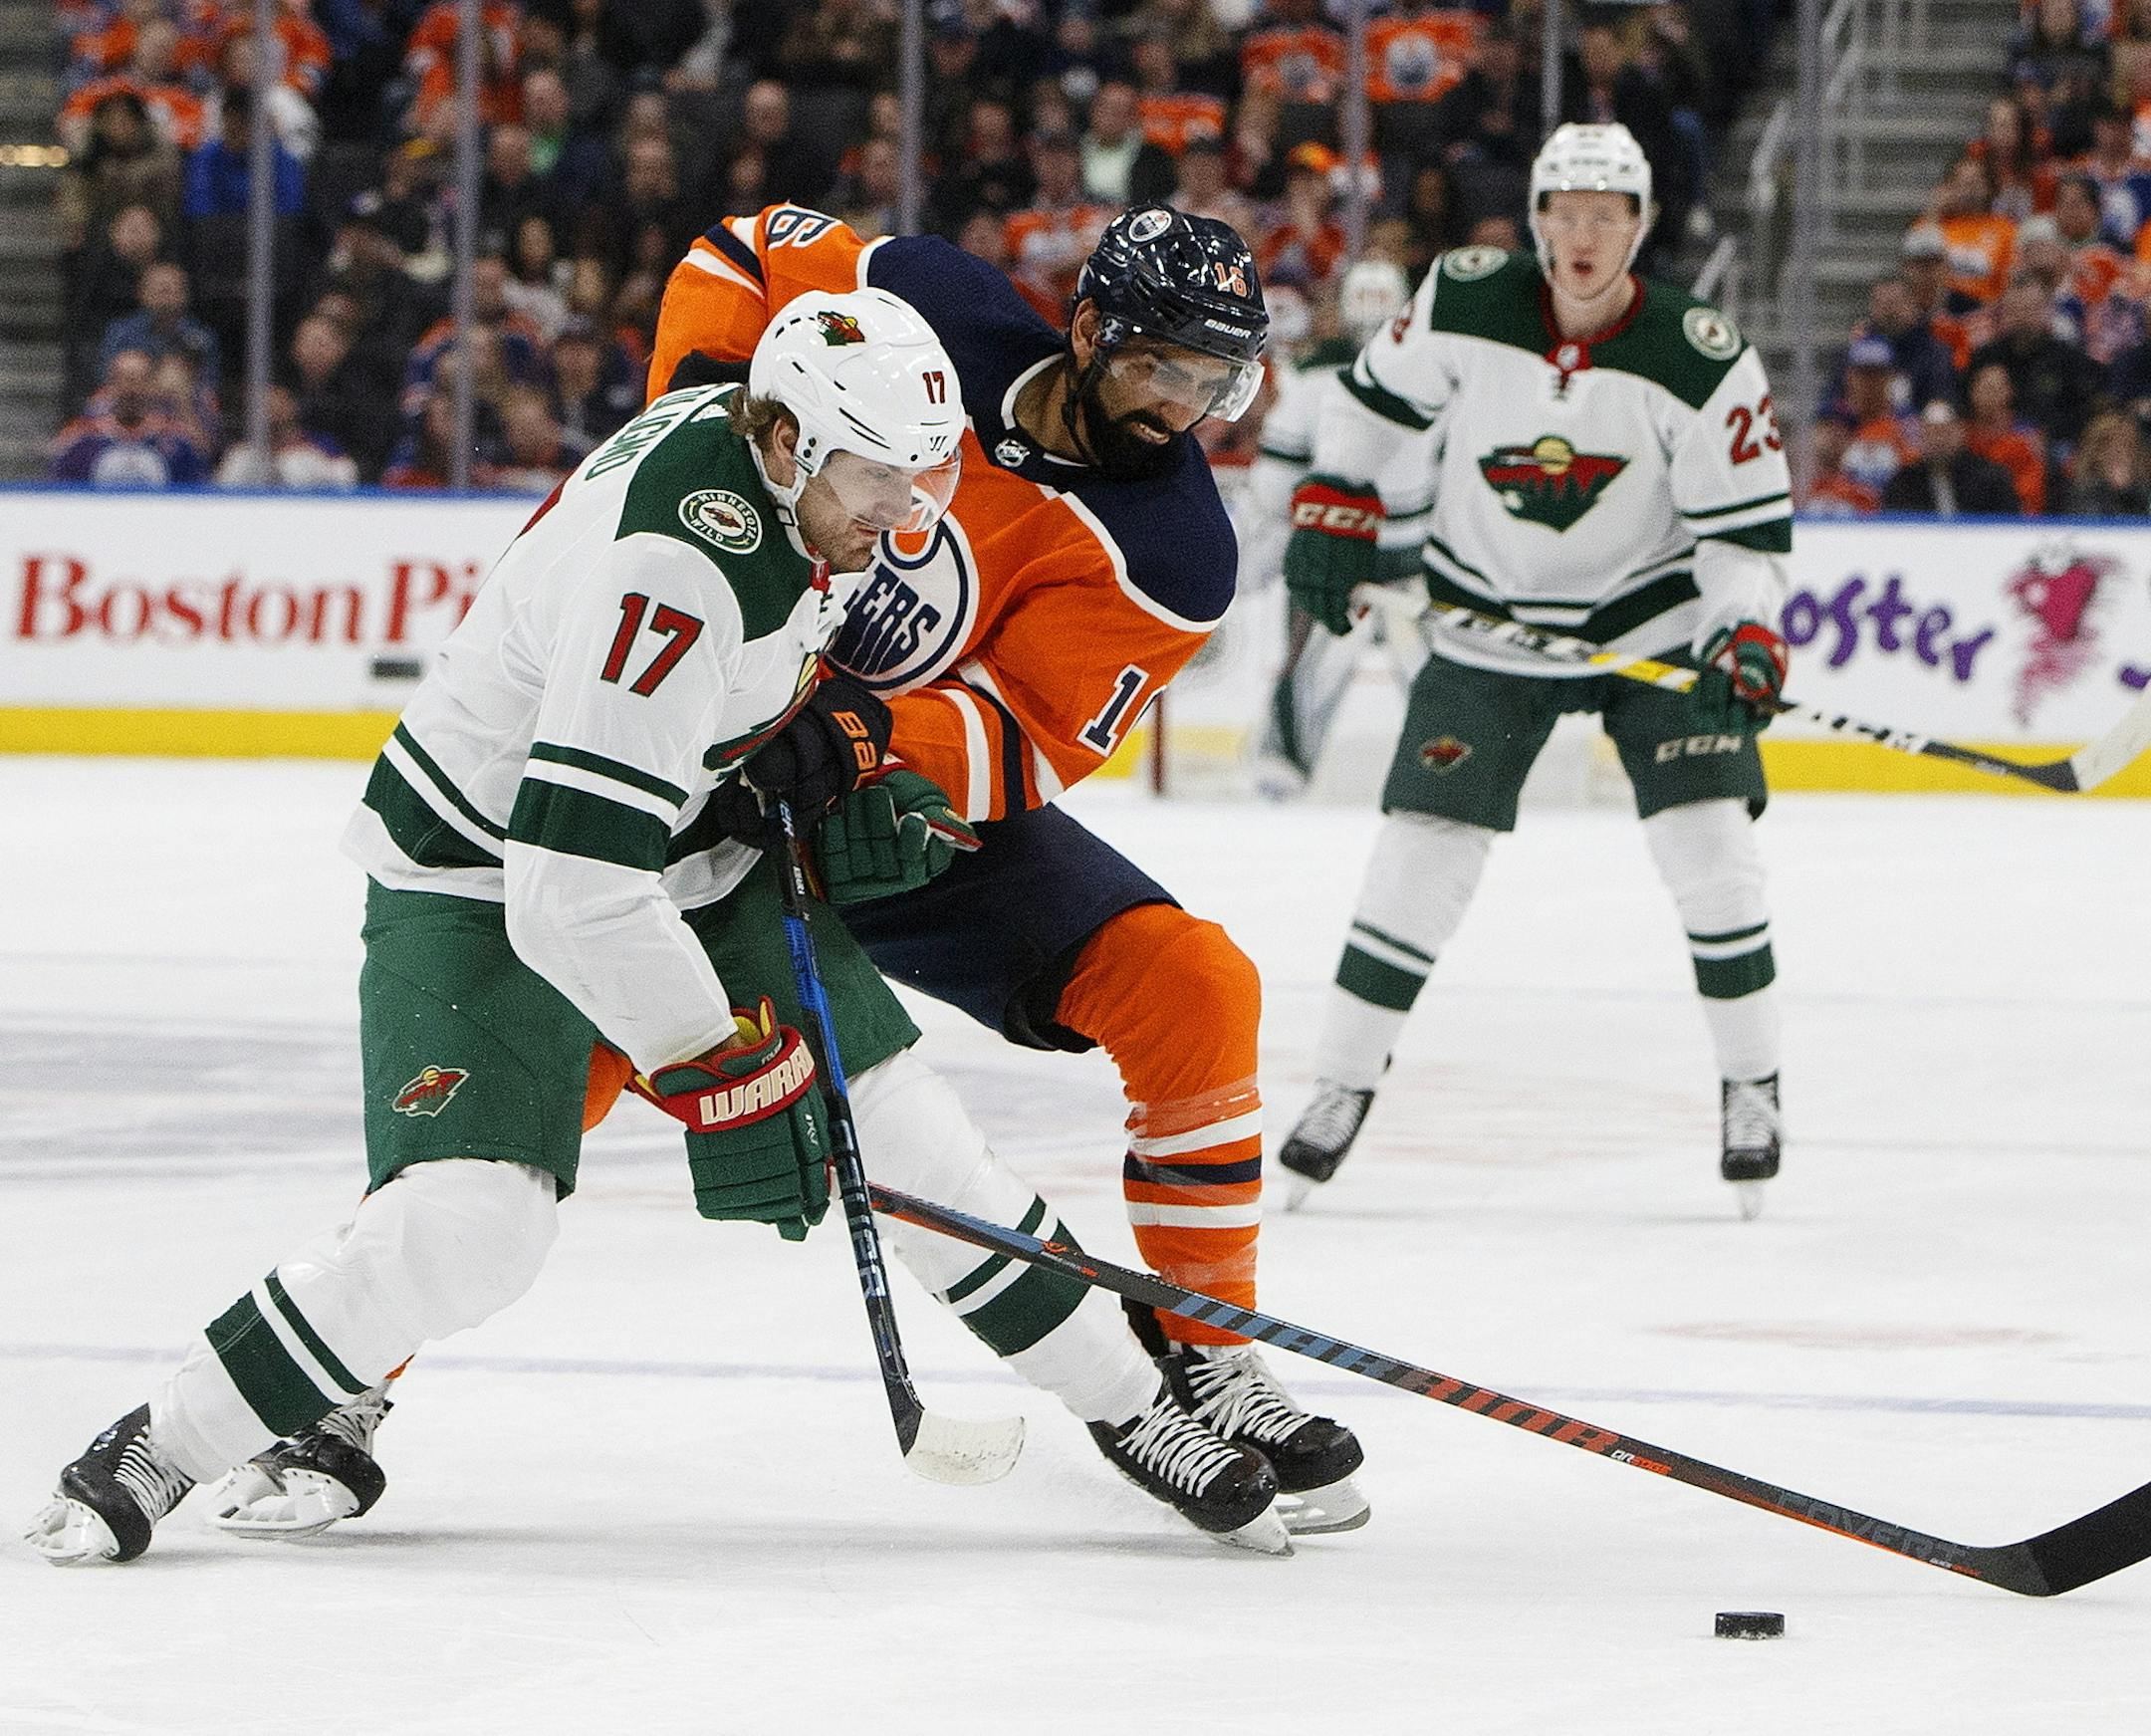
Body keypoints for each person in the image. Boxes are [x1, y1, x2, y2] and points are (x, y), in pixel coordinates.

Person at [28, 288, 1298, 1568]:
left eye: (923, 485)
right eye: (875, 484)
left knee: (917, 1140)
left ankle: (1139, 1411)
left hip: (687, 848)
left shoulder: (762, 445)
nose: (899, 519)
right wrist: (715, 1061)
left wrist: (842, 766)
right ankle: (159, 1442)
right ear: (793, 442)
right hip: (479, 879)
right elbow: (568, 884)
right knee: (474, 1227)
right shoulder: (681, 572)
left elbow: (719, 715)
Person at [648, 202, 1368, 1534]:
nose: (1187, 409)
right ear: (1088, 331)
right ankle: (348, 1376)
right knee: (583, 999)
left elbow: (1024, 735)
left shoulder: (1173, 548)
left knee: (1196, 984)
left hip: (896, 799)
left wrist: (863, 730)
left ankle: (1203, 1333)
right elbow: (740, 252)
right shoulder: (926, 299)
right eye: (1164, 368)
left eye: (1216, 380)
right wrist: (691, 425)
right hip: (695, 737)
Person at [1277, 124, 1795, 1215]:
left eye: (1609, 213)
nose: (1584, 233)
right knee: (1420, 855)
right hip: (1489, 626)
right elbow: (1373, 403)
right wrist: (1338, 503)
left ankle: (1753, 1083)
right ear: (1538, 221)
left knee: (1713, 854)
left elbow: (1744, 543)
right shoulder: (1466, 296)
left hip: (1648, 631)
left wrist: (1741, 632)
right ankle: (1342, 1084)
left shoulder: (1700, 355)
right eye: (1566, 209)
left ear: (1642, 227)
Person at [1241, 256, 1433, 799]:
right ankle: (1284, 764)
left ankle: (1284, 766)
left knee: (1432, 676)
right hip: (1374, 553)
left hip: (1381, 553)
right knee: (1426, 676)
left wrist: (1267, 543)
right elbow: (1278, 483)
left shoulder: (1322, 382)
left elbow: (1276, 487)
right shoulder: (1428, 380)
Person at [1882, 399, 2026, 515]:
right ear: (1921, 435)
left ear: (1960, 432)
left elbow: (2009, 527)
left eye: (1945, 431)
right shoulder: (1903, 483)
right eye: (1932, 431)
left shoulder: (1991, 478)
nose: (1939, 439)